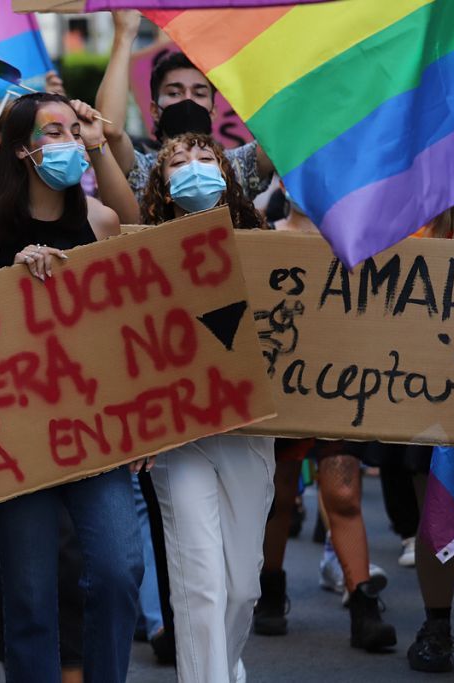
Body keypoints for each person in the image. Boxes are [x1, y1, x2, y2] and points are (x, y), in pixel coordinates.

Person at [0, 91, 143, 683]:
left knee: (117, 570)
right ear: (21, 150)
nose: (66, 141)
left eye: (72, 131)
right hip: (15, 435)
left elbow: (133, 316)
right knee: (30, 595)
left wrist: (100, 139)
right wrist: (7, 283)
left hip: (97, 430)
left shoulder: (102, 221)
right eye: (52, 132)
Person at [138, 132, 273, 682]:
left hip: (248, 429)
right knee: (200, 585)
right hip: (179, 433)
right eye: (178, 162)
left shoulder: (264, 245)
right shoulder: (138, 254)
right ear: (164, 188)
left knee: (243, 586)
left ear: (227, 174)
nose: (193, 167)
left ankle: (225, 665)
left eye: (204, 159)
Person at [250, 188, 397, 654]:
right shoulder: (263, 238)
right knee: (279, 496)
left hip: (341, 388)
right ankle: (270, 588)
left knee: (344, 492)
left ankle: (362, 602)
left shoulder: (357, 242)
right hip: (282, 395)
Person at [95, 10, 273, 204]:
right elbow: (110, 129)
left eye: (199, 94)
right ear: (154, 110)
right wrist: (124, 34)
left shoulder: (237, 166)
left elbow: (286, 132)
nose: (187, 101)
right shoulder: (143, 170)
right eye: (174, 93)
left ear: (213, 111)